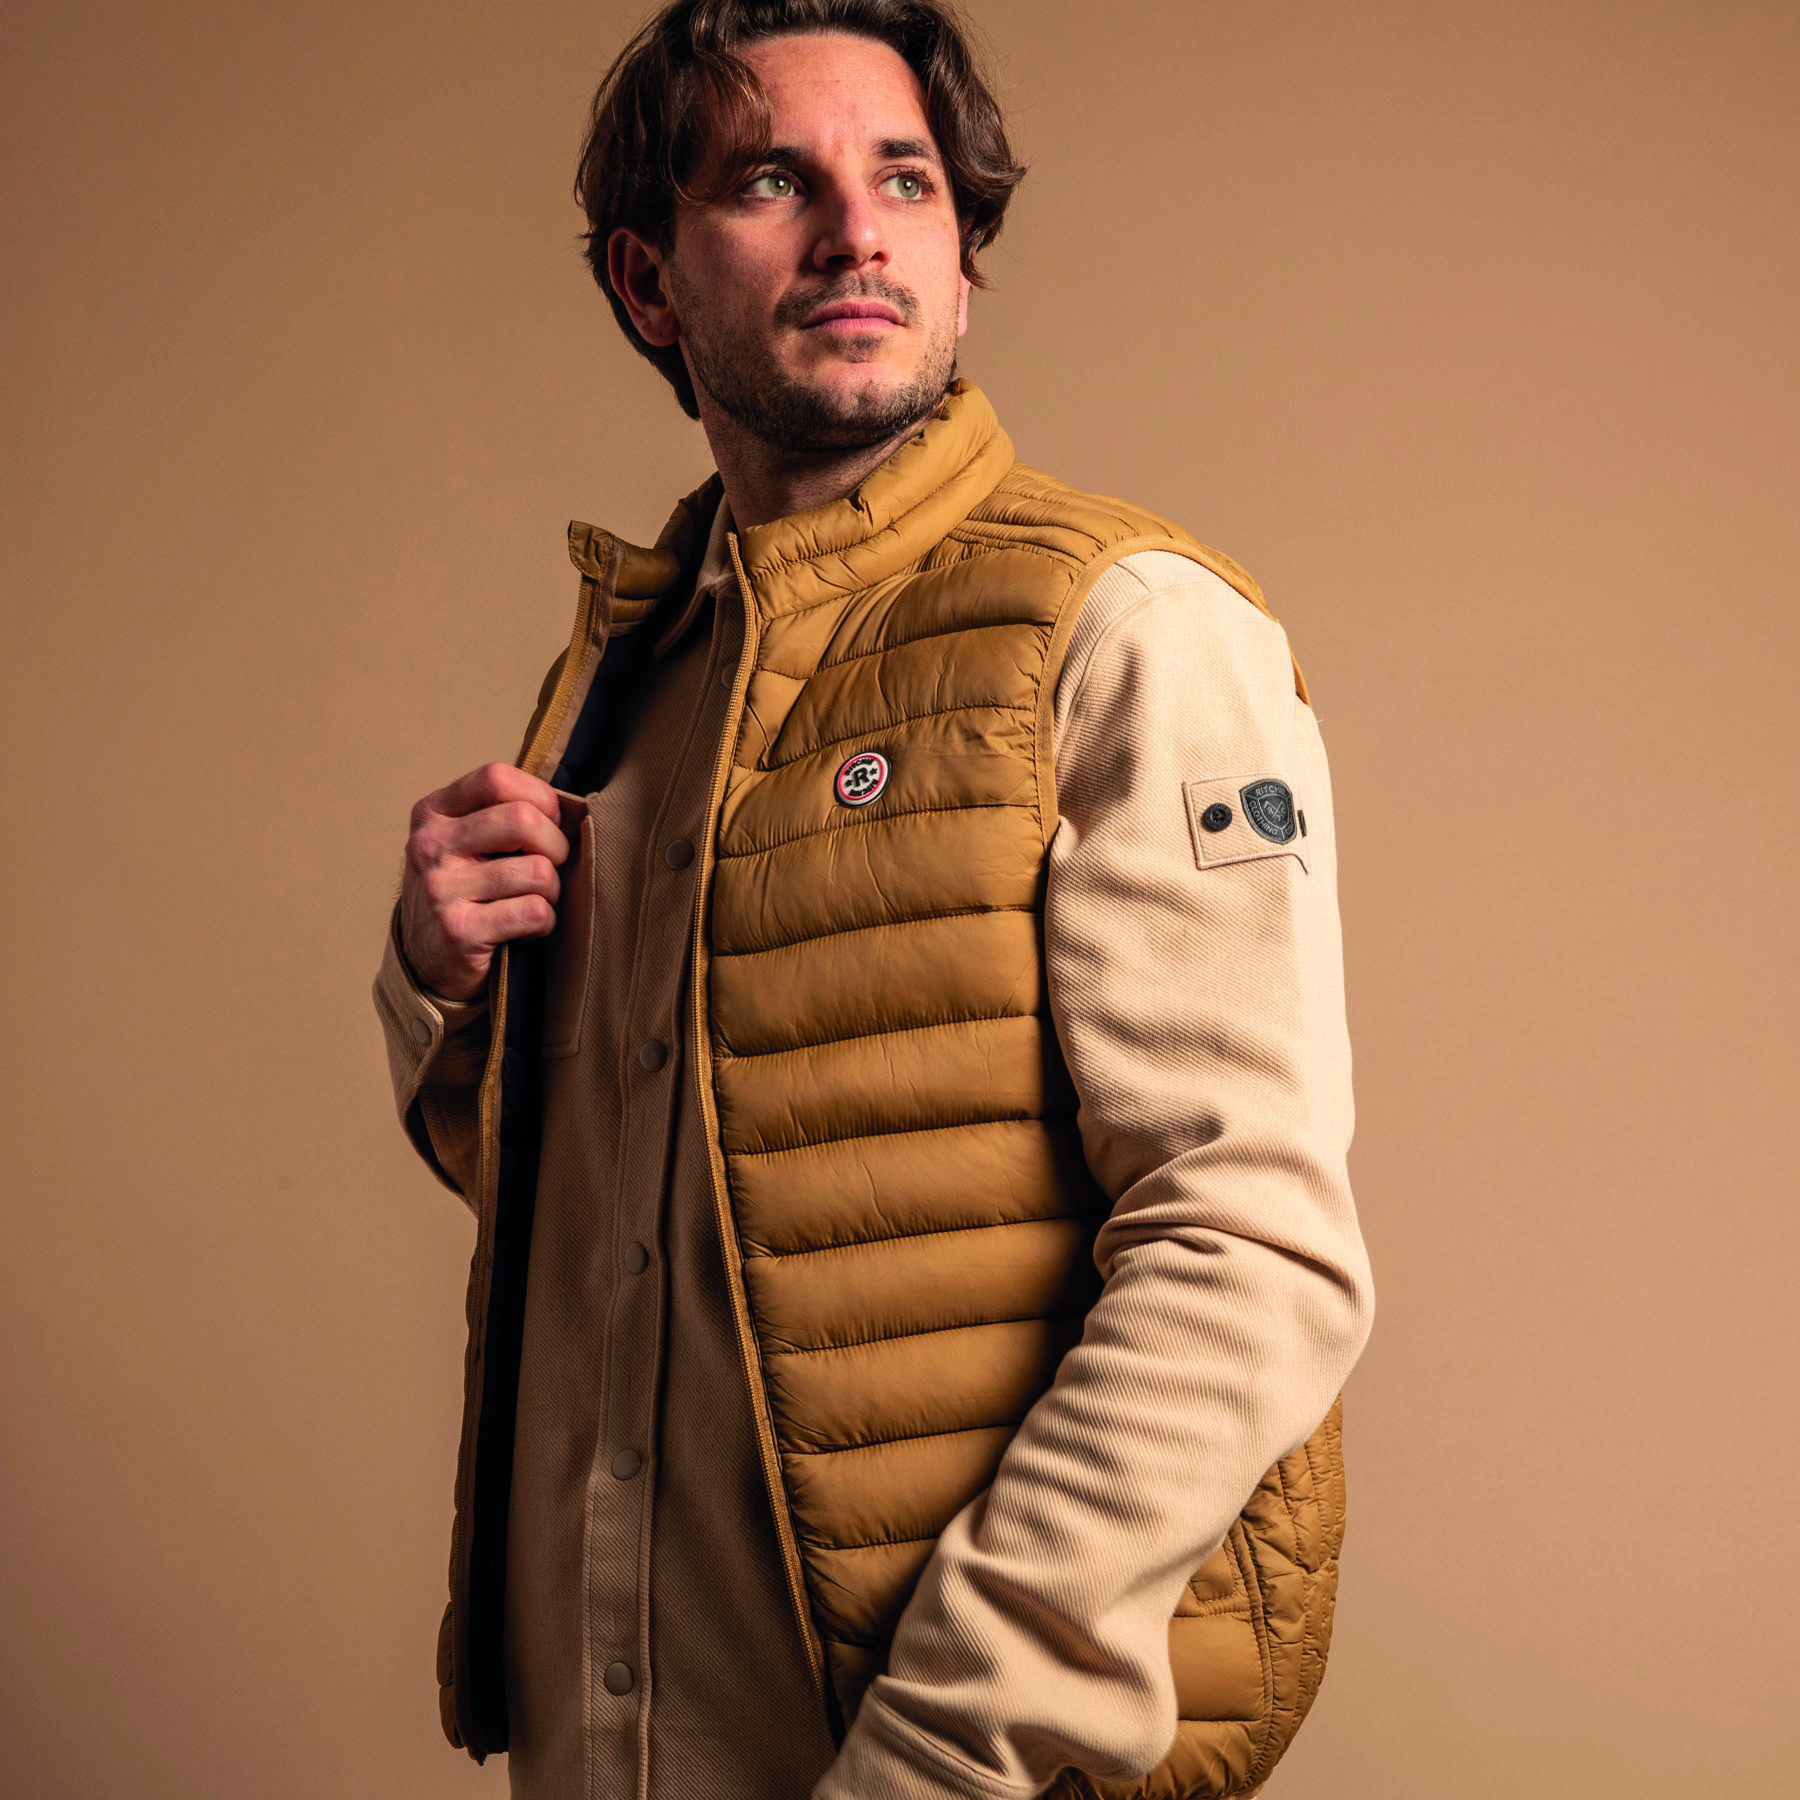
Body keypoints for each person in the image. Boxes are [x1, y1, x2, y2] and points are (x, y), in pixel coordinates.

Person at [371, 4, 1374, 1797]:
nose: (857, 234)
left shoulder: (1128, 630)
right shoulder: (624, 684)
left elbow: (1250, 1253)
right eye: (775, 181)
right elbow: (643, 1224)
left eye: (906, 182)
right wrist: (443, 990)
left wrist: (941, 1752)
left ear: (963, 262)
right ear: (650, 281)